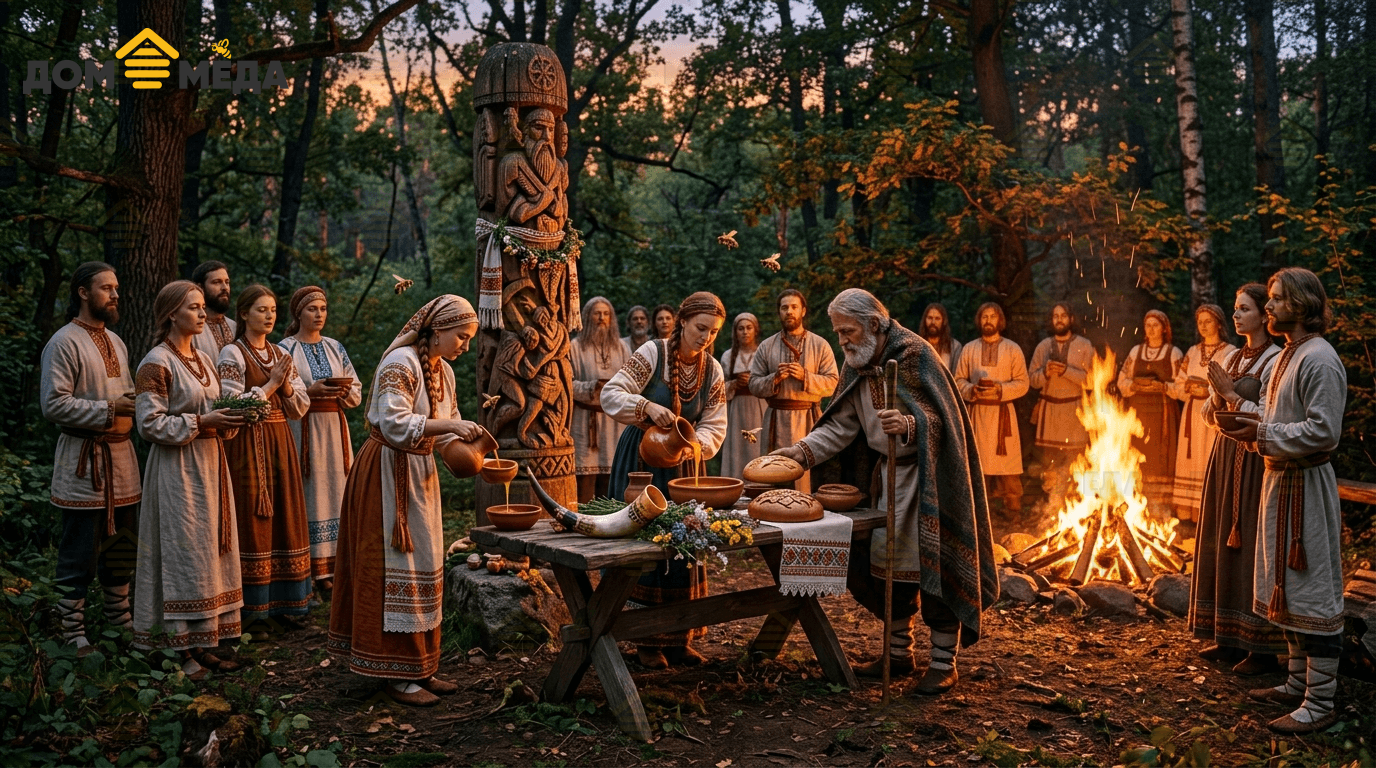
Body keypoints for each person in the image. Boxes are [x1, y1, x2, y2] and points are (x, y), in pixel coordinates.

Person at [773, 289, 997, 696]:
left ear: (875, 324)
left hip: (929, 480)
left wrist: (912, 424)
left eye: (847, 331)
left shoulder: (917, 355)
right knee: (887, 571)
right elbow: (841, 427)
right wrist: (799, 453)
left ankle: (945, 664)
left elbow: (945, 420)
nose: (841, 340)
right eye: (837, 332)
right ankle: (898, 654)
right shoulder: (857, 362)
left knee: (933, 570)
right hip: (883, 482)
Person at [328, 295, 484, 707]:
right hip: (386, 473)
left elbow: (446, 426)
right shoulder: (399, 364)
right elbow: (395, 423)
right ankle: (392, 673)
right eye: (461, 336)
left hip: (420, 473)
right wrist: (451, 425)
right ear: (436, 330)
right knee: (393, 565)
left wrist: (468, 445)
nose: (464, 345)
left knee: (424, 564)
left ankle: (420, 666)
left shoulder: (443, 371)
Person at [1219, 268, 1347, 735]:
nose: (1268, 307)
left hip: (1306, 488)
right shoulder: (1289, 356)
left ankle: (1320, 702)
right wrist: (1241, 421)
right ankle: (1296, 683)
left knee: (1312, 588)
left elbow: (1324, 430)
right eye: (1268, 300)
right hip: (1280, 484)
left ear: (1302, 303)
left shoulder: (1320, 358)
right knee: (1286, 586)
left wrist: (1264, 431)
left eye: (1276, 300)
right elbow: (1274, 420)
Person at [602, 292, 729, 669]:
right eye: (701, 328)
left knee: (685, 543)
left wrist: (695, 446)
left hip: (685, 467)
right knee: (644, 547)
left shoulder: (713, 369)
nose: (706, 337)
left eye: (713, 332)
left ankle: (679, 636)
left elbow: (715, 423)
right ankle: (644, 640)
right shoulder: (652, 354)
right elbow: (612, 393)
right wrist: (645, 406)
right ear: (683, 322)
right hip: (641, 461)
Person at [132, 280, 247, 679]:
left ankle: (202, 641)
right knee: (182, 552)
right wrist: (202, 421)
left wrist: (234, 415)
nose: (202, 314)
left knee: (207, 552)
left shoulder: (201, 356)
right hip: (177, 469)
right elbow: (148, 423)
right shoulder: (156, 362)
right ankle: (176, 650)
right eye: (194, 308)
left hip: (210, 464)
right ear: (171, 314)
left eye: (202, 307)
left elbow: (214, 405)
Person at [41, 262, 142, 654]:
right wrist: (108, 408)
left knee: (122, 544)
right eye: (106, 288)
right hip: (82, 459)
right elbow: (53, 404)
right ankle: (73, 632)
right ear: (83, 292)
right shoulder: (63, 342)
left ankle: (120, 621)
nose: (115, 295)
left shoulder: (116, 342)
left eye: (116, 288)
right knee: (79, 549)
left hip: (122, 459)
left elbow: (127, 394)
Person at [1191, 284, 1285, 676]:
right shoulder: (1231, 357)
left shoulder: (1275, 360)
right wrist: (1215, 399)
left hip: (1253, 460)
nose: (1236, 315)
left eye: (1244, 309)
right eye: (1234, 308)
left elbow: (1269, 416)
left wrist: (1230, 395)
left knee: (1251, 545)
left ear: (1264, 316)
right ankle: (1226, 638)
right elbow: (1208, 416)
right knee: (1220, 539)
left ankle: (1260, 648)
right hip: (1223, 456)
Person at [218, 285, 312, 631]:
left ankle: (286, 602)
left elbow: (300, 406)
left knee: (286, 514)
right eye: (261, 310)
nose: (269, 316)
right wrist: (272, 385)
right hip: (246, 445)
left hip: (279, 441)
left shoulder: (279, 353)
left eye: (273, 309)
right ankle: (253, 609)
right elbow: (232, 406)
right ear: (243, 314)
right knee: (253, 518)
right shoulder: (231, 354)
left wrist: (285, 386)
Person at [279, 286, 364, 596]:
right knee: (309, 492)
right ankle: (311, 572)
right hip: (303, 428)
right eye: (312, 309)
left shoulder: (335, 347)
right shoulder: (285, 348)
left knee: (338, 490)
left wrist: (344, 393)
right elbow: (281, 389)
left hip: (334, 428)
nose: (319, 314)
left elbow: (356, 387)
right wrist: (309, 392)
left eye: (323, 309)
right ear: (298, 312)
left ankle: (336, 568)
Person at [748, 289, 840, 493]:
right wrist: (775, 378)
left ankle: (811, 515)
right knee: (775, 474)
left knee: (809, 479)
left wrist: (805, 376)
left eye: (794, 307)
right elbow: (753, 384)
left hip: (809, 419)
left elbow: (834, 383)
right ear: (779, 312)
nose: (789, 311)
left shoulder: (820, 344)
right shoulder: (766, 346)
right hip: (776, 420)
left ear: (803, 311)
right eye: (784, 308)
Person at [953, 303, 1029, 513]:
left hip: (1003, 415)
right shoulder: (969, 348)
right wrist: (973, 390)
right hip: (978, 414)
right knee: (979, 465)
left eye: (992, 316)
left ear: (1000, 320)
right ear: (979, 320)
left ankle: (1013, 511)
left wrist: (1000, 389)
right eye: (984, 316)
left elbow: (1023, 383)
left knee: (1008, 466)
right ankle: (981, 515)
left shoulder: (1013, 349)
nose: (988, 320)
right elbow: (958, 381)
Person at [1169, 305, 1236, 522]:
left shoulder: (1230, 352)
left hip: (1214, 413)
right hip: (1191, 411)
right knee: (1190, 458)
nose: (1204, 326)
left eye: (1208, 321)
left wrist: (1207, 389)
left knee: (1209, 457)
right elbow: (1178, 382)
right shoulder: (1192, 351)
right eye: (1200, 322)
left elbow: (1232, 385)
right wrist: (1187, 388)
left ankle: (1208, 513)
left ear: (1218, 323)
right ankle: (1187, 509)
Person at [1027, 303, 1094, 508]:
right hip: (1050, 412)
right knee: (1050, 462)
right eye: (1055, 316)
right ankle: (1053, 507)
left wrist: (1066, 371)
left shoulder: (1084, 345)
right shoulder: (1043, 346)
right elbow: (1031, 380)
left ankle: (1076, 503)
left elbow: (1092, 381)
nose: (1059, 320)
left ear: (1071, 319)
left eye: (1063, 315)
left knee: (1075, 461)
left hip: (1074, 411)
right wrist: (1046, 373)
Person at [1116, 310, 1183, 510]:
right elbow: (1122, 380)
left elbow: (1181, 386)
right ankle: (1136, 501)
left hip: (1163, 414)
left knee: (1159, 456)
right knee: (1136, 453)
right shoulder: (1136, 351)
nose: (1151, 329)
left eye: (1156, 325)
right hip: (1137, 414)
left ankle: (1160, 506)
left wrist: (1163, 387)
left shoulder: (1174, 353)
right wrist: (1134, 386)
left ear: (1164, 328)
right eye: (1148, 325)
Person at [571, 297, 629, 502]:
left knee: (611, 474)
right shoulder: (575, 347)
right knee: (584, 477)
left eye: (606, 314)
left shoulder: (622, 347)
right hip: (585, 421)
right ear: (587, 317)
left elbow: (634, 381)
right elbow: (566, 383)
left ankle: (608, 522)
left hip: (614, 422)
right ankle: (583, 520)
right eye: (597, 313)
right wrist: (591, 387)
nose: (601, 318)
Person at [719, 313, 767, 478]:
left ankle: (761, 483)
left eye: (749, 328)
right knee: (738, 447)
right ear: (735, 332)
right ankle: (737, 484)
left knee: (759, 445)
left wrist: (755, 382)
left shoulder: (764, 353)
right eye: (741, 329)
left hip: (760, 406)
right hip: (737, 410)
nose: (745, 332)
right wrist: (734, 384)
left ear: (755, 330)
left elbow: (772, 382)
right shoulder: (728, 356)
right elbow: (718, 389)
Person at [191, 260, 235, 361]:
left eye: (227, 282)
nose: (224, 288)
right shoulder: (191, 330)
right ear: (200, 287)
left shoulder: (235, 327)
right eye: (217, 282)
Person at [920, 303, 962, 371]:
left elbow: (955, 378)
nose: (933, 322)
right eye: (930, 318)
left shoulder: (955, 347)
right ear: (924, 320)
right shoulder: (917, 345)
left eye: (937, 318)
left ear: (944, 321)